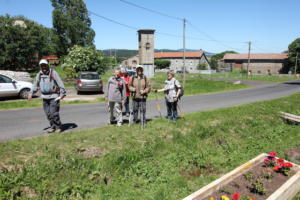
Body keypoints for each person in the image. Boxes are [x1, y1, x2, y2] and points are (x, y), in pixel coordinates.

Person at [28, 59, 66, 133]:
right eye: (42, 66)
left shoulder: (53, 73)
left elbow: (60, 83)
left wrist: (62, 93)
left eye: (45, 65)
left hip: (54, 96)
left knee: (53, 113)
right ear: (40, 66)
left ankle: (58, 127)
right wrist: (31, 93)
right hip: (45, 97)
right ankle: (53, 127)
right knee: (48, 114)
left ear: (47, 65)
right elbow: (35, 84)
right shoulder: (39, 74)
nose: (43, 67)